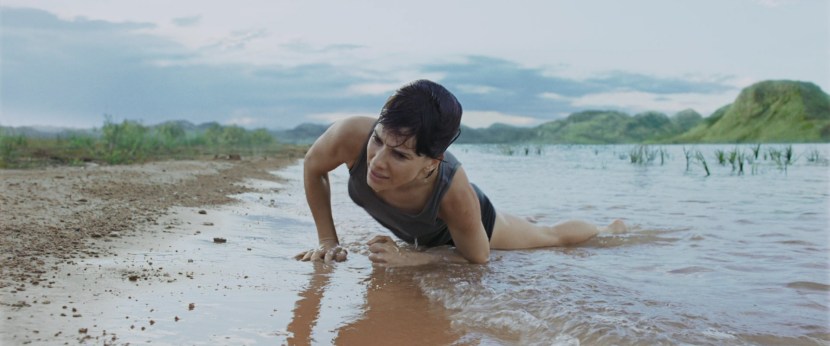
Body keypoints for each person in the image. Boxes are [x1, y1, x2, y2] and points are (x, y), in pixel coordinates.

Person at [296, 80, 625, 266]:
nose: (378, 161)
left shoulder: (453, 191)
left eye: (399, 154)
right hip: (453, 219)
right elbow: (313, 168)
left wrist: (414, 259)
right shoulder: (351, 135)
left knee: (549, 237)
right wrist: (328, 239)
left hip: (472, 220)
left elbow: (478, 259)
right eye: (378, 140)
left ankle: (608, 228)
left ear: (432, 161)